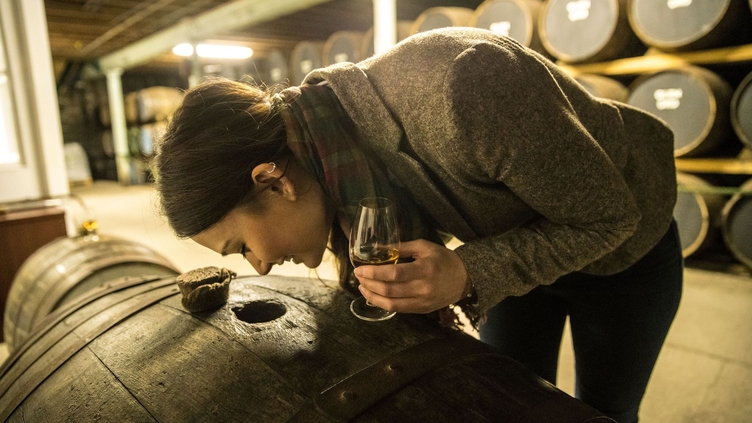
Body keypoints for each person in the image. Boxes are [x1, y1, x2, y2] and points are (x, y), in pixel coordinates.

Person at [153, 27, 683, 423]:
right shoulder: (326, 148)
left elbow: (608, 217)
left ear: (274, 182)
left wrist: (466, 273)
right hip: (515, 241)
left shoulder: (464, 88)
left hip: (623, 251)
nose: (261, 266)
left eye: (242, 246)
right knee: (512, 404)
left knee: (605, 409)